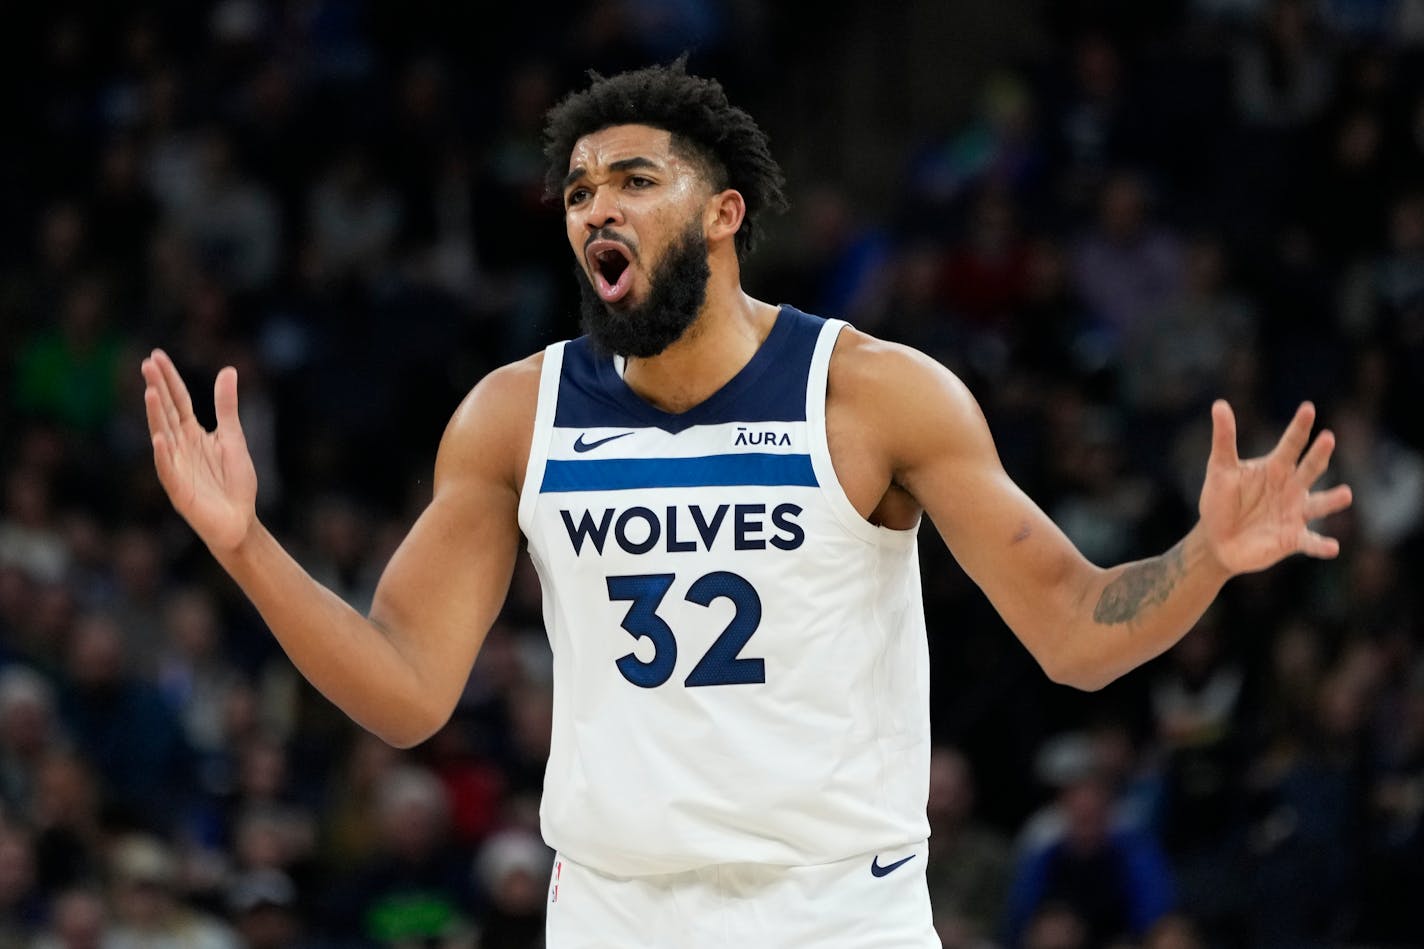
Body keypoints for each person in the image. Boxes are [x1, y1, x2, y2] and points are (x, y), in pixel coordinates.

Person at [139, 61, 1353, 948]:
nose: (595, 207)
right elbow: (405, 690)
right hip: (613, 908)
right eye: (575, 192)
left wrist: (1201, 555)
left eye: (633, 179)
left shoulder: (873, 395)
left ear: (723, 215)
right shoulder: (516, 414)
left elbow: (1075, 631)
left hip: (833, 908)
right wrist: (245, 548)